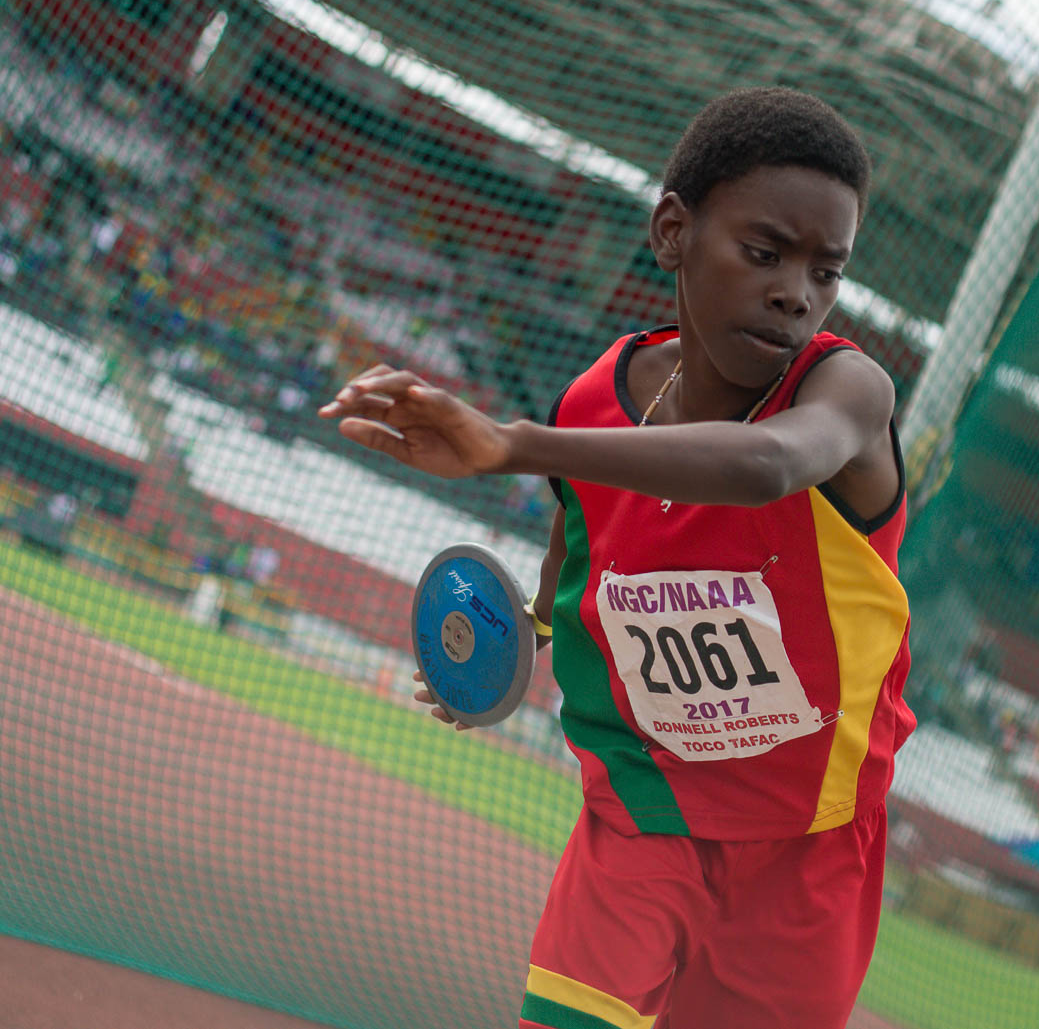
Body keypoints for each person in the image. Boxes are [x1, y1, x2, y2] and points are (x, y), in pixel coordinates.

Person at [319, 88, 912, 1029]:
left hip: (804, 846)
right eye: (765, 253)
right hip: (642, 807)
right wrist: (522, 633)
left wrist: (516, 445)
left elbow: (766, 465)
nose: (797, 292)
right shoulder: (594, 399)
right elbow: (581, 538)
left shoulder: (846, 392)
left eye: (826, 271)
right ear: (674, 231)